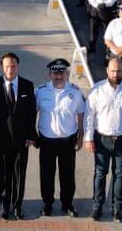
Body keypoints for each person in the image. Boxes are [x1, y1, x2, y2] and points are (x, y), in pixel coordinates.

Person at [85, 57, 122, 221]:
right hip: (102, 139)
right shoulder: (97, 89)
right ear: (107, 71)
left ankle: (117, 209)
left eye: (118, 71)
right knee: (100, 173)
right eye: (112, 71)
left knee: (119, 175)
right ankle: (97, 207)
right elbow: (89, 115)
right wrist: (88, 138)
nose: (115, 74)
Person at [0, 51, 37, 220]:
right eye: (7, 66)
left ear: (18, 66)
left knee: (19, 175)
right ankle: (4, 206)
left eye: (13, 66)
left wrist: (31, 135)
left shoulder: (27, 85)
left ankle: (18, 206)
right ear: (2, 67)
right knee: (4, 174)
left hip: (22, 140)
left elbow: (31, 113)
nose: (10, 69)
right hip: (1, 140)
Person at [35, 59, 87, 216]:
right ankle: (47, 204)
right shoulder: (40, 91)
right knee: (46, 174)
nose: (58, 76)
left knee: (67, 175)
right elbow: (32, 113)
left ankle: (67, 203)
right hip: (46, 140)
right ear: (49, 74)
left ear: (67, 74)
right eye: (55, 73)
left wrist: (81, 136)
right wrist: (32, 135)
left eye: (61, 73)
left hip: (67, 140)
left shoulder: (75, 92)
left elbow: (81, 114)